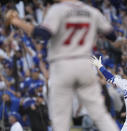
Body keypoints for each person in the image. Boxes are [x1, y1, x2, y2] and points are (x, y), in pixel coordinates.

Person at [5, 0, 119, 131]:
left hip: (63, 65)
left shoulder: (58, 10)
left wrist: (17, 22)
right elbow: (112, 35)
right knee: (100, 114)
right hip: (85, 64)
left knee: (60, 119)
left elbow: (41, 34)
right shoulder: (92, 12)